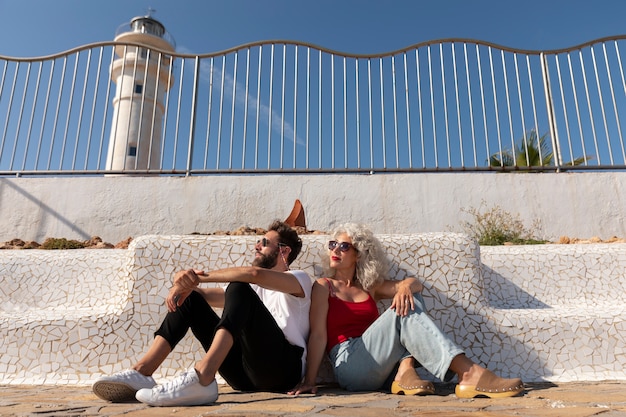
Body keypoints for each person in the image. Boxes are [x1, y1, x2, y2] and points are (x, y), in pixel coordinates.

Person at [289, 223, 524, 399]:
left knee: (410, 296)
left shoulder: (370, 288)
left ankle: (404, 372)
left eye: (343, 246)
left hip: (380, 366)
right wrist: (310, 380)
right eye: (332, 245)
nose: (335, 250)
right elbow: (318, 335)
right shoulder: (324, 286)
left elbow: (415, 284)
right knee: (403, 308)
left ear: (358, 254)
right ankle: (468, 372)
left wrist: (405, 288)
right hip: (349, 363)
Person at [92, 220, 313, 406]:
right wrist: (183, 283)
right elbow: (205, 293)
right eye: (257, 242)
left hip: (283, 371)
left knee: (238, 285)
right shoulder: (251, 291)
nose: (256, 246)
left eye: (264, 243)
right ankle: (143, 372)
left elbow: (252, 274)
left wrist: (197, 277)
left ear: (284, 250)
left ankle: (203, 376)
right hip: (244, 376)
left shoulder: (298, 279)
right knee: (192, 298)